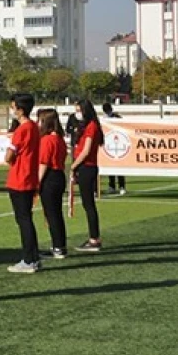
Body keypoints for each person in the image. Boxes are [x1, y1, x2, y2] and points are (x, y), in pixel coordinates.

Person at [4, 93, 41, 273]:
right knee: (27, 218)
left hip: (19, 178)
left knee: (23, 220)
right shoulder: (33, 127)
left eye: (13, 107)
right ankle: (34, 256)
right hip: (29, 177)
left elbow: (9, 155)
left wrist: (9, 157)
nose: (12, 111)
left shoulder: (22, 130)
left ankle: (28, 260)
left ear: (20, 109)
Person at [71, 99, 104, 252]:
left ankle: (94, 239)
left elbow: (86, 150)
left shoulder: (91, 127)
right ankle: (94, 237)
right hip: (86, 167)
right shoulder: (88, 126)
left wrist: (74, 165)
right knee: (88, 204)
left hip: (87, 167)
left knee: (88, 204)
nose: (77, 113)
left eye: (79, 110)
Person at [36, 109, 68, 259]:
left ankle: (57, 247)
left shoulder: (47, 140)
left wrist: (37, 182)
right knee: (57, 213)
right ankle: (60, 245)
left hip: (50, 177)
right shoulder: (59, 138)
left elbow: (44, 163)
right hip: (59, 175)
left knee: (51, 214)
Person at [102, 103, 126, 195]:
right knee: (110, 167)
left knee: (119, 168)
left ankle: (122, 186)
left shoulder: (117, 117)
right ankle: (111, 186)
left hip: (118, 143)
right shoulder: (103, 119)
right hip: (109, 144)